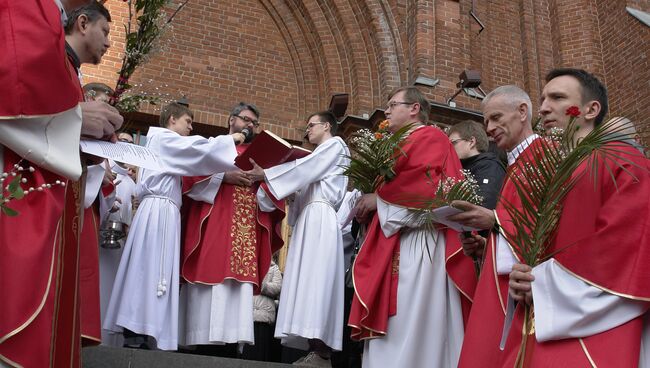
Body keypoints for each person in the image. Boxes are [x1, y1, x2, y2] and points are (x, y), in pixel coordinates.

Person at [0, 0, 122, 366]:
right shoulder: (23, 7)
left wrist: (84, 143)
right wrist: (75, 119)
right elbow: (14, 94)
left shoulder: (51, 26)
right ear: (82, 23)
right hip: (21, 199)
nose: (109, 42)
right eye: (105, 32)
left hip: (49, 204)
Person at [504, 68, 650, 367]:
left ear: (590, 109)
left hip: (596, 324)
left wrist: (543, 284)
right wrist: (523, 275)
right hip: (543, 315)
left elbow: (627, 245)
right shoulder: (551, 170)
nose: (543, 107)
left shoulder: (620, 159)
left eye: (557, 98)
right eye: (542, 99)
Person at [348, 87, 475, 368]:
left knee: (412, 322)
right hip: (398, 238)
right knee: (398, 325)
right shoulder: (395, 142)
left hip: (420, 243)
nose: (388, 111)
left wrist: (378, 201)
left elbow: (429, 190)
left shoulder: (430, 137)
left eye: (393, 104)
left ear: (415, 109)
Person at [103, 102, 244, 350]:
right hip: (157, 211)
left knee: (155, 269)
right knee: (148, 268)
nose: (190, 128)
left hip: (164, 211)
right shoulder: (164, 139)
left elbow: (197, 168)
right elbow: (202, 150)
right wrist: (231, 138)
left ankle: (147, 328)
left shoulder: (167, 146)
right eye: (187, 122)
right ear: (172, 120)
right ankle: (136, 328)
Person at [448, 85, 542, 368]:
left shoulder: (543, 156)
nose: (488, 128)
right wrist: (487, 247)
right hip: (501, 282)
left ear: (522, 112)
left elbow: (550, 226)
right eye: (486, 121)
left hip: (523, 291)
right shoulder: (514, 163)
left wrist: (494, 220)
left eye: (495, 118)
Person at [179, 102, 285, 353]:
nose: (249, 125)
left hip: (245, 229)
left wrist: (264, 177)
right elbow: (190, 176)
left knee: (237, 284)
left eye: (254, 123)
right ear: (231, 120)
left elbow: (271, 200)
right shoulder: (215, 145)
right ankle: (200, 340)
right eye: (246, 120)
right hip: (214, 224)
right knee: (210, 276)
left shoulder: (260, 158)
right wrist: (224, 177)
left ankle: (229, 344)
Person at [247, 111, 350, 367]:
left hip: (321, 217)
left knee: (318, 281)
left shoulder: (335, 145)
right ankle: (314, 348)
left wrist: (269, 174)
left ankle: (322, 351)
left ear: (327, 125)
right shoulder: (318, 156)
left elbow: (305, 170)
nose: (308, 130)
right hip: (308, 218)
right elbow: (303, 184)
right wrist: (290, 193)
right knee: (307, 282)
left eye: (311, 125)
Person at [447, 120, 506, 210]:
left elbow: (483, 205)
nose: (449, 148)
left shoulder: (490, 167)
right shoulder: (462, 166)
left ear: (471, 142)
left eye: (453, 143)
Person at [240, 259, 283, 362]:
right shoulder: (246, 264)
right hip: (247, 313)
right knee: (246, 350)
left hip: (263, 314)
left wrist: (261, 284)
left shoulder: (273, 267)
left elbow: (277, 287)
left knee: (260, 350)